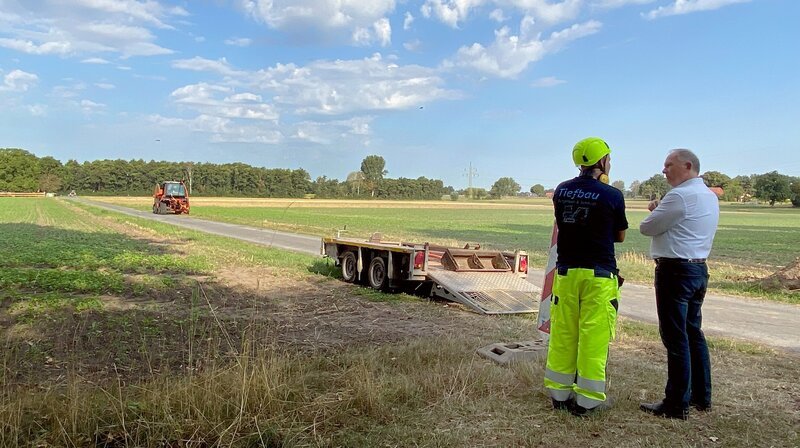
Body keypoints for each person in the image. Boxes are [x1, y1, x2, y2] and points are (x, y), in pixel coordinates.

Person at [544, 137, 628, 416]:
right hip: (599, 275)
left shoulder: (561, 190)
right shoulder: (612, 195)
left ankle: (559, 395)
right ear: (602, 161)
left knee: (564, 333)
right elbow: (620, 236)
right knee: (594, 336)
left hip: (566, 273)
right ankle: (588, 401)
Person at [639, 149, 719, 420]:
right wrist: (660, 211)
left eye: (668, 165)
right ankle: (701, 396)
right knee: (693, 332)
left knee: (675, 337)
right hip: (698, 269)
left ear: (687, 166)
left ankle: (676, 403)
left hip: (675, 271)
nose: (664, 170)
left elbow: (647, 227)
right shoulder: (708, 196)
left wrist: (656, 210)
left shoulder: (680, 195)